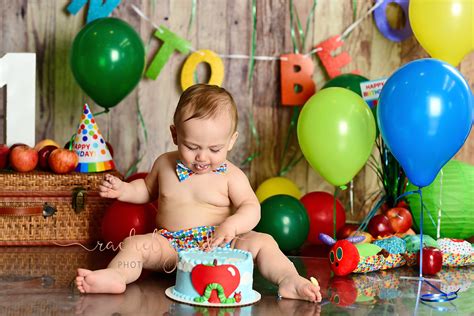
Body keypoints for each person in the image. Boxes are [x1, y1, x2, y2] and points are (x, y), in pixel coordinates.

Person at [75, 84, 321, 303]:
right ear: (175, 135)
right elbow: (147, 190)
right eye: (192, 147)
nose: (202, 157)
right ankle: (116, 275)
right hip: (171, 245)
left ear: (231, 141)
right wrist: (124, 189)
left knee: (264, 242)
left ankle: (289, 279)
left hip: (221, 244)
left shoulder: (231, 175)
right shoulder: (164, 164)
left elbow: (252, 207)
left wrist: (232, 226)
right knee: (134, 244)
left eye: (215, 149)